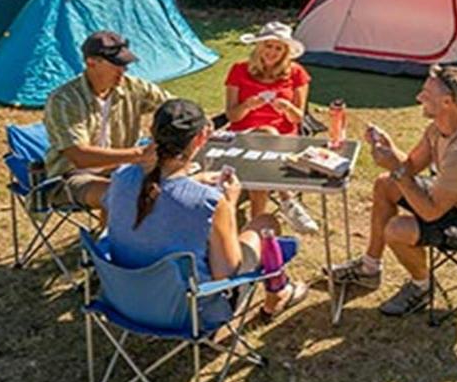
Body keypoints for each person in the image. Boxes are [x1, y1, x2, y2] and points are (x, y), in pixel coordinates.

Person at [328, 64, 457, 317]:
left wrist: (397, 169)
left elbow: (429, 212)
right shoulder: (440, 126)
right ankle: (369, 268)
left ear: (447, 101)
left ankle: (421, 286)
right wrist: (391, 149)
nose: (418, 98)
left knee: (396, 229)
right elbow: (411, 167)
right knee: (386, 184)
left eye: (426, 94)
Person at [103, 99, 308, 321]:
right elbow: (226, 273)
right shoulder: (207, 201)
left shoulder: (121, 176)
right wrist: (228, 204)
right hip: (189, 313)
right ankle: (278, 293)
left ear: (152, 131)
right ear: (201, 138)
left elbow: (159, 199)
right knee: (266, 223)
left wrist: (192, 181)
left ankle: (278, 294)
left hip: (125, 298)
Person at [43, 31, 168, 218]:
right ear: (91, 63)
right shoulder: (64, 100)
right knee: (123, 195)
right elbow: (80, 156)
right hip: (72, 177)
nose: (122, 71)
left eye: (125, 65)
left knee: (174, 185)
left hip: (121, 170)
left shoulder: (132, 87)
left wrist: (192, 122)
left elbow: (173, 106)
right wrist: (139, 154)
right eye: (116, 65)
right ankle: (112, 244)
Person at [224, 21, 320, 235]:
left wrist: (286, 107)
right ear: (258, 47)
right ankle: (287, 200)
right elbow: (232, 116)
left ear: (286, 52)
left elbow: (298, 118)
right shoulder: (239, 70)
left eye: (278, 48)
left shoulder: (296, 73)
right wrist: (248, 105)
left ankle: (255, 229)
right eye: (268, 46)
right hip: (243, 137)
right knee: (266, 135)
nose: (272, 52)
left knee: (266, 147)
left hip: (283, 141)